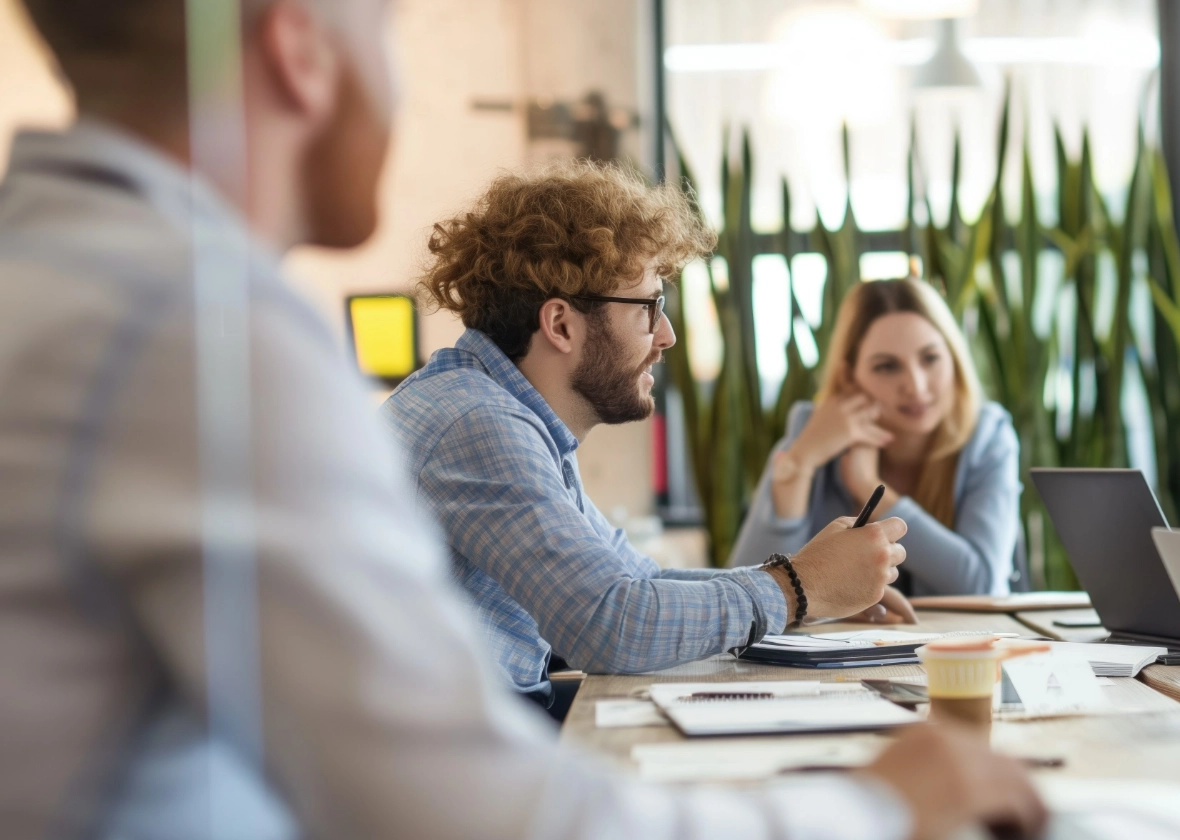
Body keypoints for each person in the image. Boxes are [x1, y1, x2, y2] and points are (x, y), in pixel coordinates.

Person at [0, 1, 1046, 837]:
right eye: (392, 26)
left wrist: (795, 594)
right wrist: (868, 791)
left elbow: (619, 595)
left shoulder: (88, 289)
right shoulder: (203, 342)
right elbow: (475, 792)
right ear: (299, 47)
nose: (668, 338)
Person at [382, 161, 915, 718]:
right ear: (560, 325)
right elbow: (611, 624)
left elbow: (639, 581)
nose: (667, 335)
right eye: (649, 306)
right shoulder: (475, 422)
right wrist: (798, 586)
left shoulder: (501, 411)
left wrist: (810, 597)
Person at [730, 278, 1022, 596]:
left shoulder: (988, 437)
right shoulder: (811, 432)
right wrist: (799, 463)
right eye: (887, 367)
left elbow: (984, 586)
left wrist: (869, 487)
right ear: (850, 377)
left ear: (954, 359)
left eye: (930, 358)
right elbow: (746, 595)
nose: (916, 386)